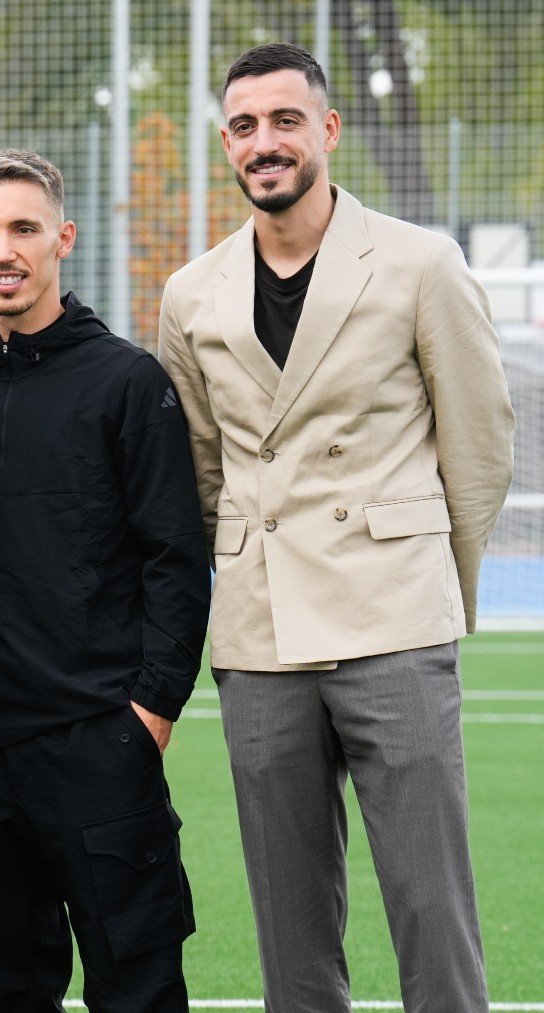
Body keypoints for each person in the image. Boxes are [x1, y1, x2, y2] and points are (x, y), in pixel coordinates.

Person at [157, 43, 514, 1012]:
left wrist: (429, 582)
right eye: (243, 126)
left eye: (283, 121)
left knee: (431, 906)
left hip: (393, 620)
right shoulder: (191, 293)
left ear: (327, 130)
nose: (263, 143)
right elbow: (198, 466)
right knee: (290, 920)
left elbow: (479, 445)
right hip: (260, 633)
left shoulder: (418, 262)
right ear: (225, 142)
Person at [0, 149, 208, 1012]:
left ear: (64, 239)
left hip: (101, 742)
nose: (3, 249)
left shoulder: (129, 381)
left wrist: (149, 713)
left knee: (140, 990)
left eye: (23, 228)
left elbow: (177, 558)